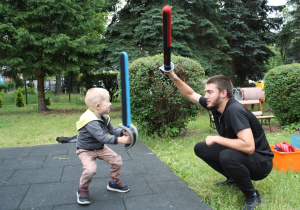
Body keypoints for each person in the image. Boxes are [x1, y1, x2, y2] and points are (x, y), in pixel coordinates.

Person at [165, 72, 273, 210]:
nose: (206, 96)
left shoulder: (234, 110)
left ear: (223, 93)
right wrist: (172, 75)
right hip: (245, 156)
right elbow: (190, 94)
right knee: (201, 148)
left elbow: (249, 146)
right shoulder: (215, 105)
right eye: (205, 92)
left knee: (226, 156)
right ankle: (234, 177)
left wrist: (217, 138)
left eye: (209, 92)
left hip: (262, 163)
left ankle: (252, 196)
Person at [75, 87, 131, 205]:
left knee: (117, 161)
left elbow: (113, 131)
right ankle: (83, 189)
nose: (110, 104)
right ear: (98, 106)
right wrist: (122, 140)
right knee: (90, 170)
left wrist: (122, 133)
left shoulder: (104, 118)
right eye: (108, 101)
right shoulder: (90, 121)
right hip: (85, 150)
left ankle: (114, 182)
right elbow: (102, 137)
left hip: (100, 148)